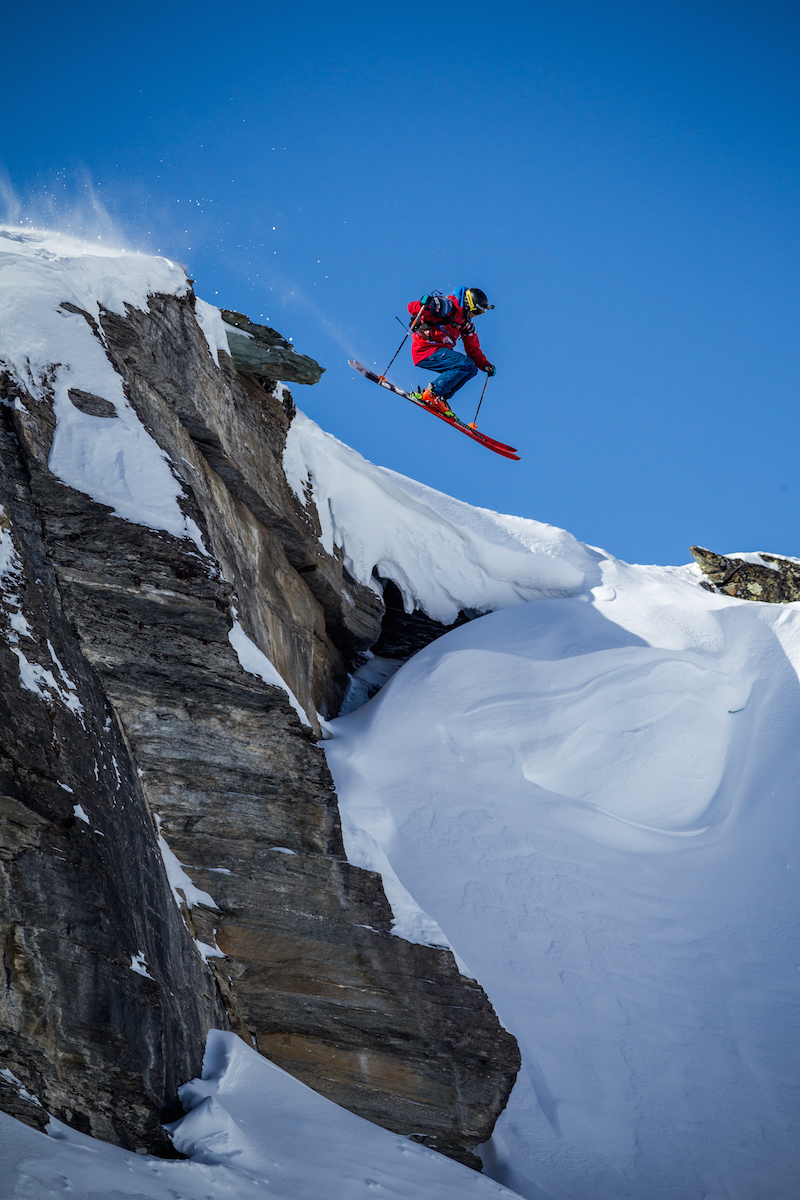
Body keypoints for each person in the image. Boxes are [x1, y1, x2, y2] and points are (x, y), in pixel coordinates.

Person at [407, 287, 496, 418]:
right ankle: (432, 394)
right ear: (467, 304)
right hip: (425, 349)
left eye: (477, 314)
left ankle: (439, 398)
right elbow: (411, 308)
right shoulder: (446, 306)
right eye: (474, 312)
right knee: (464, 364)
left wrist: (484, 365)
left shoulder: (465, 324)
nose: (473, 316)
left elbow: (473, 350)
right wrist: (424, 303)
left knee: (471, 369)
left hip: (439, 352)